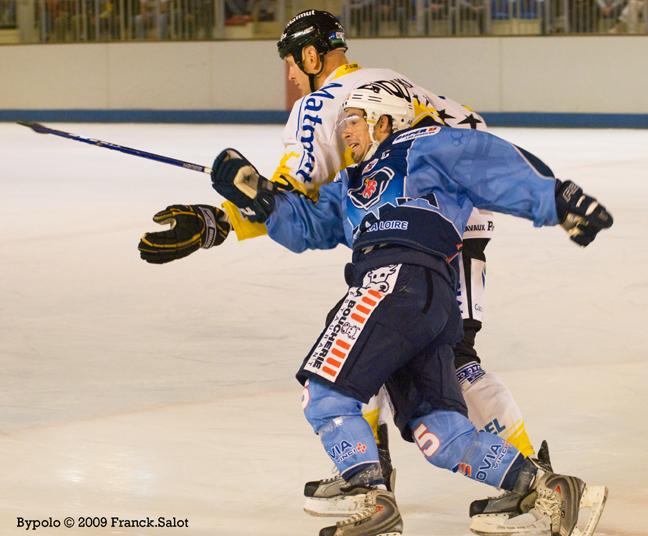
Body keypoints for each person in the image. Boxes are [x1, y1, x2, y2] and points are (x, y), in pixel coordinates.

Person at [140, 7, 566, 528]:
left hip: (401, 240)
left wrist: (220, 220)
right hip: (455, 230)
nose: (293, 77)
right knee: (433, 354)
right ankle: (522, 476)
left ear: (312, 55)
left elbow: (293, 194)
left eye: (293, 64)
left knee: (375, 354)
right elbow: (471, 125)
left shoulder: (323, 103)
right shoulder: (397, 84)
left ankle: (370, 479)